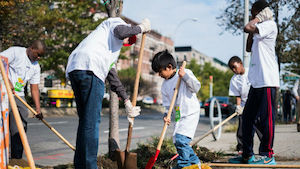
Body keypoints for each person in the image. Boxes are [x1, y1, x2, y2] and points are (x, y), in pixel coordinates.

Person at [65, 17, 151, 169]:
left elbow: (113, 78)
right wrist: (141, 28)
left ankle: (80, 165)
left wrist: (126, 101)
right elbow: (121, 31)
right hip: (90, 68)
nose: (124, 44)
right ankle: (90, 166)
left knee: (85, 122)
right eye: (127, 41)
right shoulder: (115, 23)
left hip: (75, 68)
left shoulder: (104, 46)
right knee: (92, 123)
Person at [229, 0, 279, 165]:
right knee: (248, 118)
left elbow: (247, 27)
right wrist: (256, 22)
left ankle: (268, 155)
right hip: (256, 82)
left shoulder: (270, 25)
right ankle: (247, 154)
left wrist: (257, 19)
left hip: (267, 80)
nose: (252, 15)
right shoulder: (258, 31)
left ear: (260, 12)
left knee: (266, 120)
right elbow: (248, 47)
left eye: (254, 12)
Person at [151, 50, 201, 169]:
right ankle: (195, 163)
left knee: (181, 139)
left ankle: (183, 165)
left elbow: (196, 87)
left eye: (160, 71)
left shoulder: (184, 73)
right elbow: (168, 105)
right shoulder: (164, 85)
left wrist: (185, 77)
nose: (159, 75)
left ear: (169, 67)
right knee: (178, 141)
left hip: (190, 112)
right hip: (179, 115)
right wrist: (166, 114)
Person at [0, 40, 45, 159]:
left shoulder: (35, 66)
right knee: (2, 125)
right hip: (3, 91)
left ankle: (16, 159)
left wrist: (38, 109)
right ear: (31, 48)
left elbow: (34, 88)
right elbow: (0, 60)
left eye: (41, 56)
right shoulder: (15, 52)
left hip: (19, 95)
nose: (39, 58)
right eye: (38, 54)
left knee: (21, 125)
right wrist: (7, 81)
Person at [227, 56, 262, 154]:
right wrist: (238, 107)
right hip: (244, 106)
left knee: (260, 127)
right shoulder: (234, 80)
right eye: (232, 69)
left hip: (256, 103)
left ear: (240, 63)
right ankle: (242, 148)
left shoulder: (251, 72)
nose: (234, 70)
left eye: (235, 67)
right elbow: (237, 95)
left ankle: (265, 150)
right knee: (242, 128)